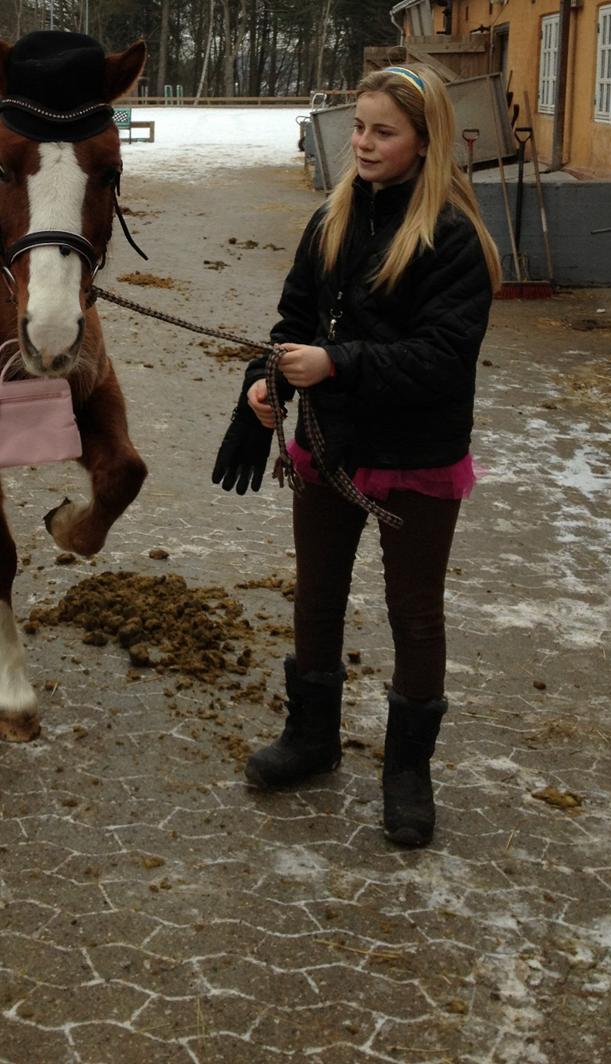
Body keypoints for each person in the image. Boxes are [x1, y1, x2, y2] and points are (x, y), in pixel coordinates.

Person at [212, 65, 500, 848]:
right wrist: (264, 381)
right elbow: (291, 321)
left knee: (415, 615)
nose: (364, 144)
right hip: (331, 447)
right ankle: (312, 739)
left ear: (424, 141)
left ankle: (408, 773)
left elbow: (443, 356)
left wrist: (338, 364)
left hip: (417, 455)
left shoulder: (454, 237)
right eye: (360, 128)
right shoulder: (328, 221)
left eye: (384, 132)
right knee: (317, 598)